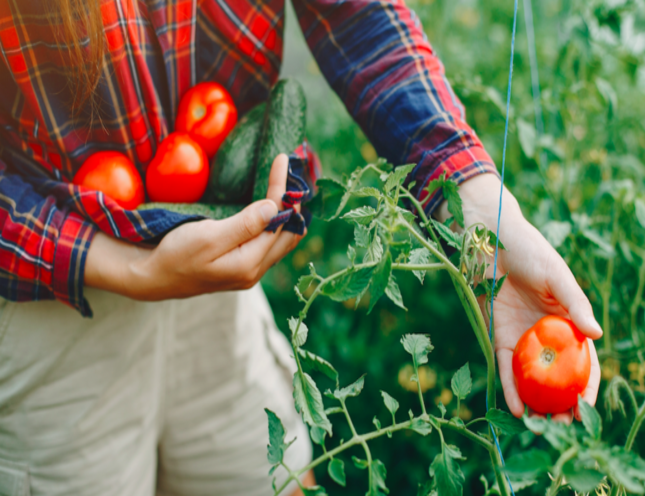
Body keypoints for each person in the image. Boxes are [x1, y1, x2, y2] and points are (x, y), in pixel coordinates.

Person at [0, 0, 602, 495]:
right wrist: (121, 264)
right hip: (49, 293)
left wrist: (475, 206)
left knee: (275, 478)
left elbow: (355, 15)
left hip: (213, 264)